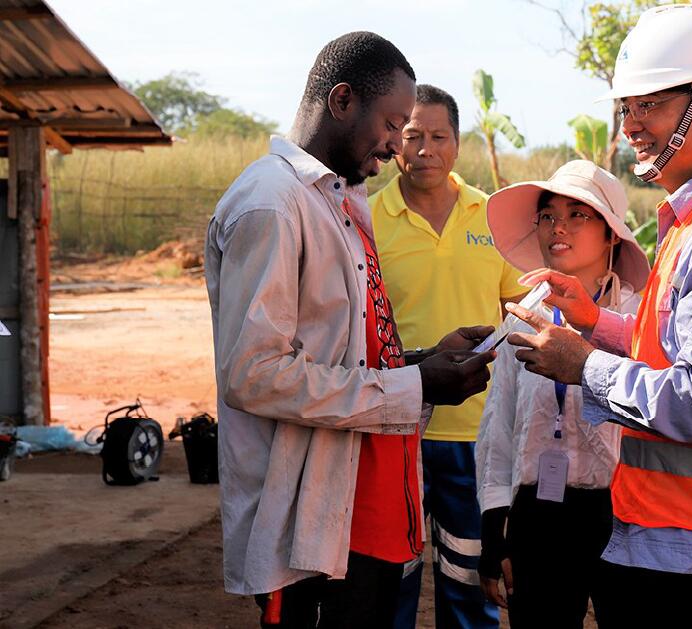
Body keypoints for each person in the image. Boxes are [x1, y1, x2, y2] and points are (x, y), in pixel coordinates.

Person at [502, 7, 692, 629]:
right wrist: (597, 322)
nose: (631, 124)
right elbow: (676, 348)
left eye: (651, 104)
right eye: (626, 107)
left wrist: (585, 365)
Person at [204, 32, 496, 629]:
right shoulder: (272, 204)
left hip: (365, 509)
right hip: (311, 528)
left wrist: (420, 362)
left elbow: (340, 354)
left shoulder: (339, 200)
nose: (397, 147)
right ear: (341, 102)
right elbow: (255, 376)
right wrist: (415, 388)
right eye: (393, 125)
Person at [369, 84, 523, 629]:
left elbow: (519, 313)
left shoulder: (493, 217)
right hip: (393, 433)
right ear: (394, 141)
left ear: (458, 144)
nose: (424, 149)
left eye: (438, 136)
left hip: (476, 440)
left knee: (470, 586)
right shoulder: (365, 219)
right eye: (411, 136)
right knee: (391, 585)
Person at [474, 161, 650, 628]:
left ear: (612, 234)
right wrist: (496, 529)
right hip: (540, 514)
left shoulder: (641, 321)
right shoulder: (524, 318)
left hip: (626, 515)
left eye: (578, 215)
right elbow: (499, 428)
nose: (558, 228)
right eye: (548, 215)